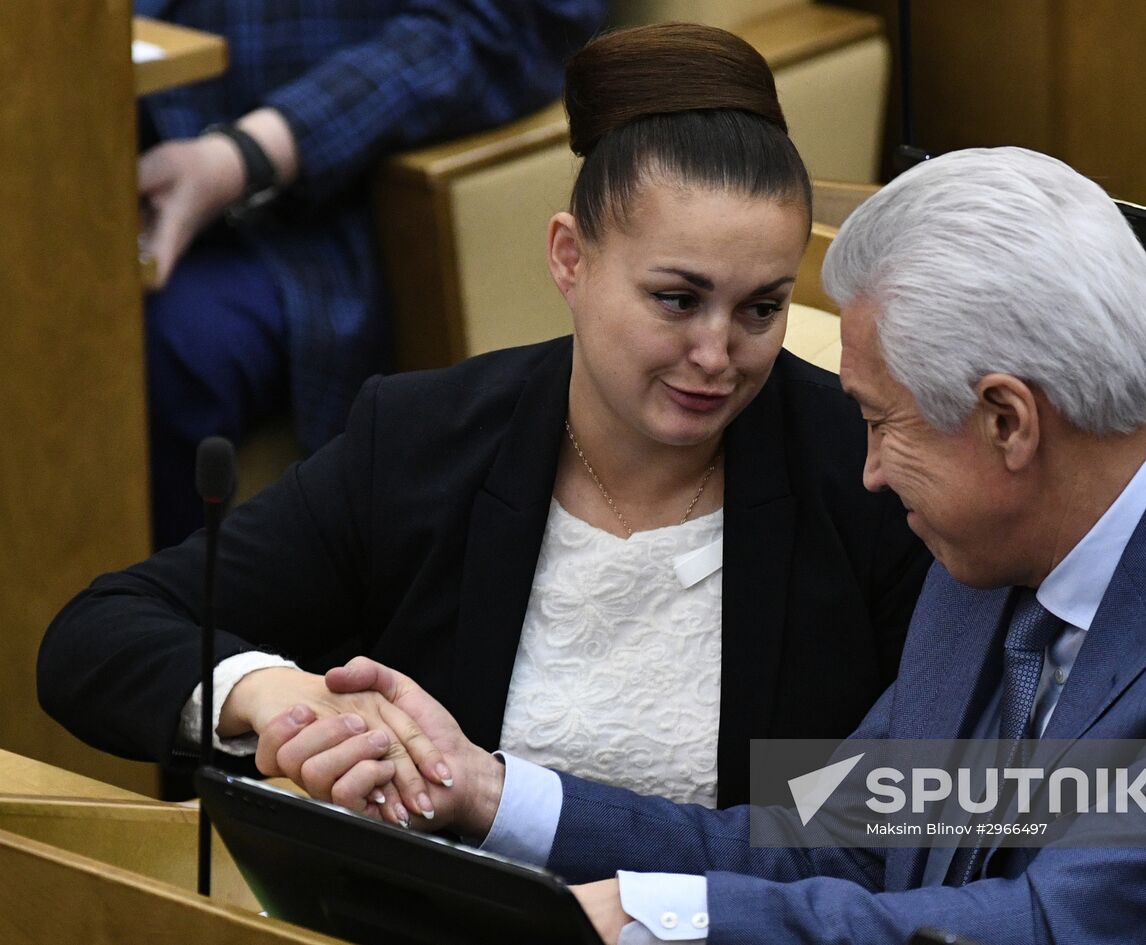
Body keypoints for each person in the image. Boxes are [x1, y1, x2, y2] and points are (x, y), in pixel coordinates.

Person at [289, 147, 1146, 944]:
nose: (866, 471)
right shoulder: (995, 549)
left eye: (879, 423)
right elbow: (836, 836)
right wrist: (492, 795)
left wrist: (665, 919)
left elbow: (1045, 927)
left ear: (1006, 421)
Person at [39, 25, 931, 822]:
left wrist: (665, 869)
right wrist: (276, 694)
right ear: (570, 258)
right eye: (676, 299)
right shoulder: (424, 439)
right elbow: (95, 636)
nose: (716, 354)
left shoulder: (869, 475)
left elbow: (967, 801)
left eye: (761, 309)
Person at [137, 0, 608, 548]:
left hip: (331, 209)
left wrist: (249, 154)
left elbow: (514, 23)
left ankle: (160, 602)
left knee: (154, 351)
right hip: (108, 166)